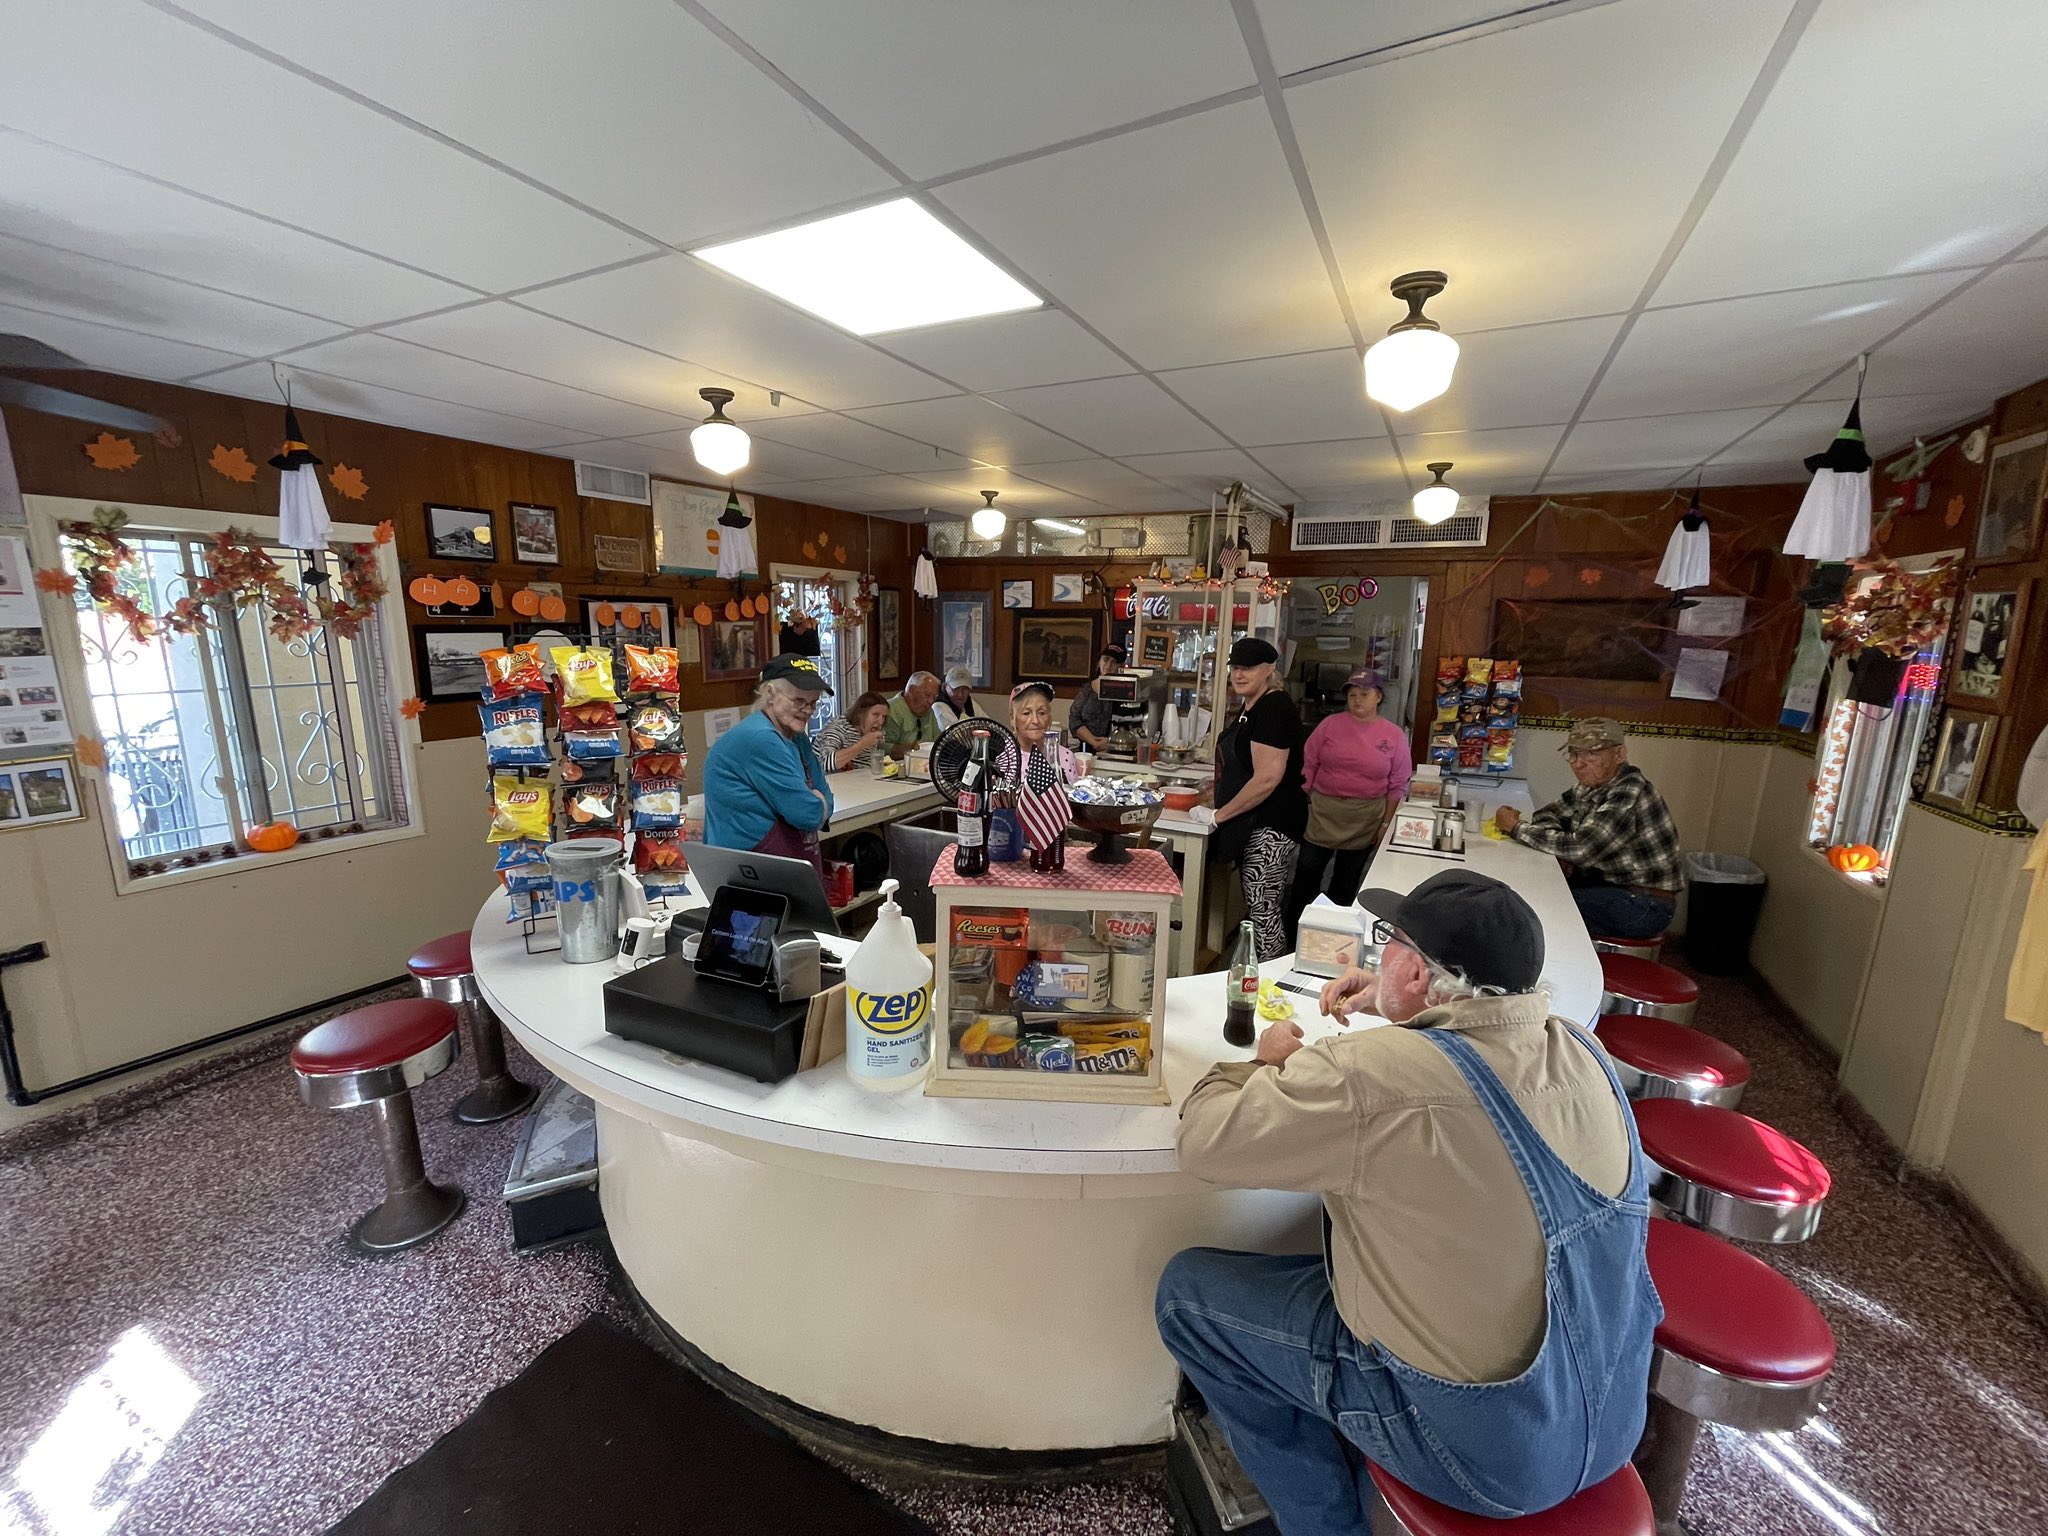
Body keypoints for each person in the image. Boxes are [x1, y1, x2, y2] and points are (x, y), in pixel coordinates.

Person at [1157, 870, 1657, 1529]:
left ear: (1419, 972)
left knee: (1188, 1297)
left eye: (1388, 941)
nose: (1378, 951)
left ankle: (1324, 1524)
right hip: (1612, 1418)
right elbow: (1476, 1051)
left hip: (1479, 1459)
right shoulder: (1584, 1050)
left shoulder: (1368, 1075)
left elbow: (1204, 1142)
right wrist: (1398, 1004)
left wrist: (1264, 1062)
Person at [1494, 717, 1682, 940]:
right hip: (1608, 887)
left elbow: (1581, 849)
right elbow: (1546, 814)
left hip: (1643, 904)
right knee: (1529, 889)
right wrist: (1564, 852)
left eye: (1590, 754)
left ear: (1619, 754)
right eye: (1573, 754)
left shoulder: (1628, 791)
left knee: (1535, 907)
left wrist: (1516, 828)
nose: (1578, 763)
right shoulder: (1590, 787)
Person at [1197, 638, 1306, 961]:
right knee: (1259, 905)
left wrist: (1218, 815)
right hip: (1256, 819)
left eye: (1248, 668)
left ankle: (1271, 978)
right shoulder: (1252, 706)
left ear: (1269, 669)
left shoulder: (1274, 709)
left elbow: (1267, 778)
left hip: (1272, 822)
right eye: (1235, 667)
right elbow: (1244, 764)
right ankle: (1259, 973)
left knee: (1263, 907)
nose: (1239, 674)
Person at [1285, 667, 1410, 936]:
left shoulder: (1394, 735)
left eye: (1364, 694)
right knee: (1307, 872)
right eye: (1352, 694)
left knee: (1346, 880)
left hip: (1365, 816)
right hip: (1323, 811)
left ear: (1378, 697)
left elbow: (1398, 784)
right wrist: (1302, 801)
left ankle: (1336, 936)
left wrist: (1386, 823)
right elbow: (1309, 763)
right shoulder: (1329, 725)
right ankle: (1295, 934)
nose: (1357, 700)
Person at [701, 655, 836, 874]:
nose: (808, 710)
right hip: (748, 870)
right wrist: (816, 801)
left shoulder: (796, 736)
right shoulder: (760, 738)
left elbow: (825, 797)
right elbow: (807, 814)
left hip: (780, 865)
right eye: (799, 701)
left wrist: (819, 802)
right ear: (770, 694)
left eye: (813, 702)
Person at [1066, 645, 1125, 750]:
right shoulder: (1087, 690)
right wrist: (1093, 741)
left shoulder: (1125, 693)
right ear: (1099, 661)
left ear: (1121, 666)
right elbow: (1074, 719)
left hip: (1116, 750)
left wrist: (1111, 741)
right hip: (1085, 750)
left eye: (1114, 662)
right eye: (1105, 660)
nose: (1108, 665)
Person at [815, 690, 888, 772]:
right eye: (875, 715)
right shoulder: (837, 727)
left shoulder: (873, 731)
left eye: (884, 717)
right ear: (860, 713)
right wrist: (862, 744)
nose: (880, 721)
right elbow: (825, 763)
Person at [883, 671, 943, 760]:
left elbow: (939, 740)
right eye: (927, 695)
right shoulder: (890, 710)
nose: (931, 701)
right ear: (911, 690)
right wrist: (912, 749)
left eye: (934, 697)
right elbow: (882, 748)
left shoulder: (929, 711)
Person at [931, 665, 979, 732]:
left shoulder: (969, 701)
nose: (960, 695)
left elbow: (987, 724)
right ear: (945, 686)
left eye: (965, 689)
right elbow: (956, 734)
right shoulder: (939, 706)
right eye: (955, 689)